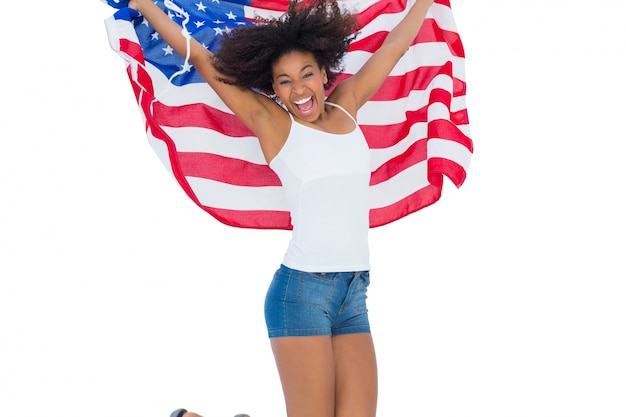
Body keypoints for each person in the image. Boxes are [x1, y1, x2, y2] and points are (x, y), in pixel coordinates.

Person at [125, 0, 434, 416]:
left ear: (325, 73)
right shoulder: (273, 123)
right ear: (274, 90)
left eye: (307, 74)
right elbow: (200, 55)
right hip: (302, 293)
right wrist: (146, 5)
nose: (299, 89)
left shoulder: (347, 103)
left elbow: (395, 44)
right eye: (284, 81)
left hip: (353, 294)